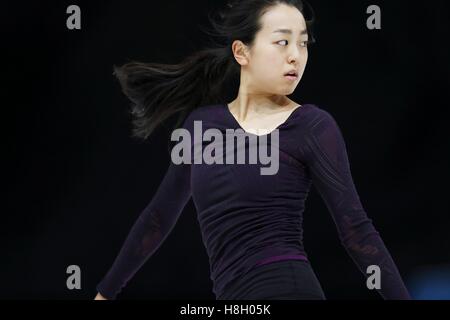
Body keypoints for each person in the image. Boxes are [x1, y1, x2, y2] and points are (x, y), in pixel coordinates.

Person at [94, 0, 411, 300]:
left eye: (303, 43)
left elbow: (356, 230)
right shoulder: (201, 126)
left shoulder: (311, 126)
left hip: (289, 289)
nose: (296, 56)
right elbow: (158, 218)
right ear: (242, 52)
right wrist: (105, 292)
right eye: (282, 42)